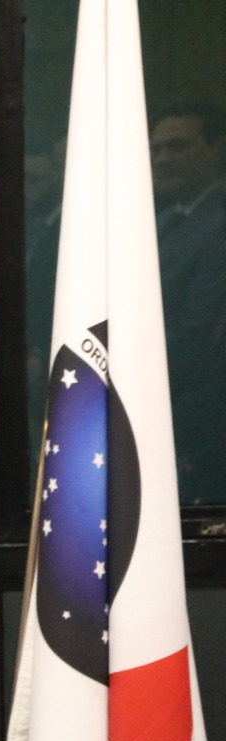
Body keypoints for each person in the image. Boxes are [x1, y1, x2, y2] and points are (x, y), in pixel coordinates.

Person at [149, 101, 226, 505]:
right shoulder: (164, 219)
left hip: (195, 412)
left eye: (178, 147)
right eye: (157, 149)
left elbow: (199, 333)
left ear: (216, 149)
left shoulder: (219, 224)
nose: (163, 159)